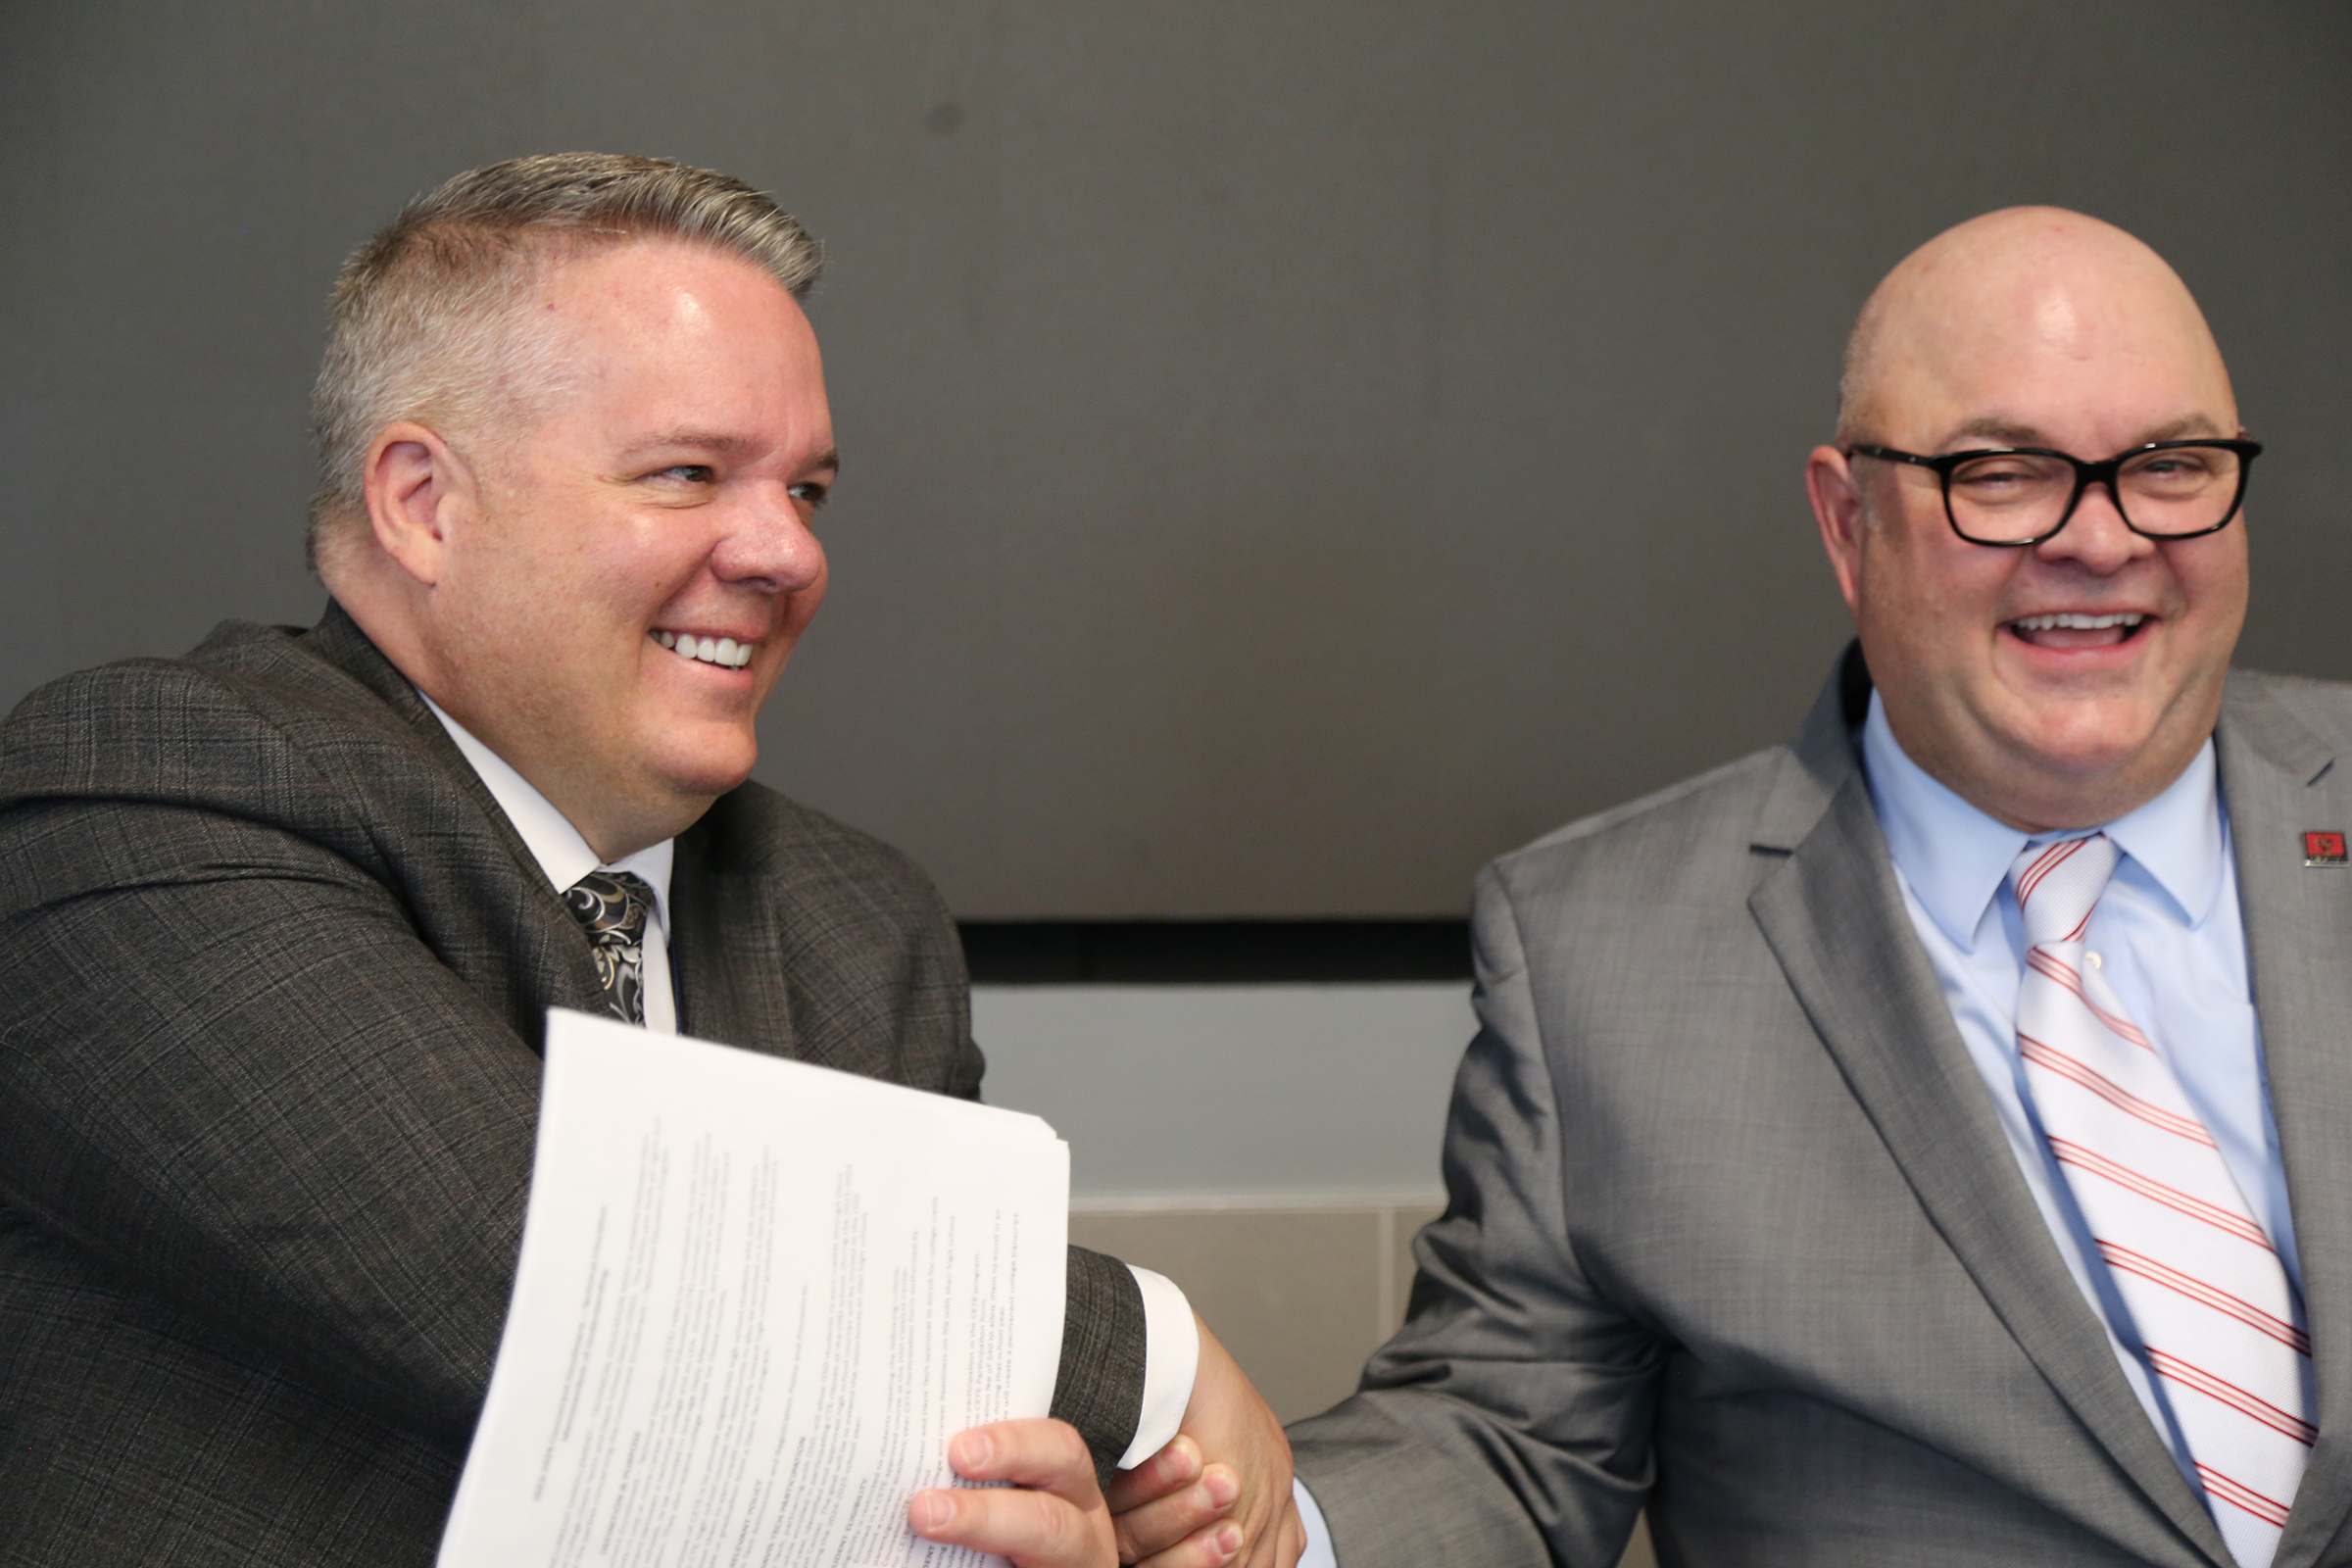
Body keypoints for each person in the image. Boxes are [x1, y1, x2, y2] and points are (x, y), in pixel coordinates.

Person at [0, 153, 1296, 1568]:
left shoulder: (860, 924)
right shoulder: (141, 783)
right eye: (688, 474)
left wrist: (1035, 1535)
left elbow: (900, 1455)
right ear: (424, 504)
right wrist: (1152, 1356)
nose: (784, 553)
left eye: (807, 489)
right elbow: (541, 1278)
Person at [1118, 206, 2336, 1566]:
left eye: (2169, 465)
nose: (2103, 539)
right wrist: (1274, 1535)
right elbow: (1507, 1448)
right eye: (2004, 473)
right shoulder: (1604, 959)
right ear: (1847, 519)